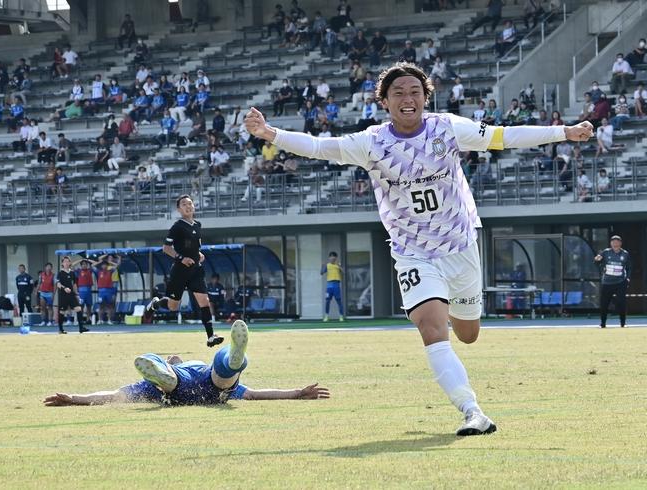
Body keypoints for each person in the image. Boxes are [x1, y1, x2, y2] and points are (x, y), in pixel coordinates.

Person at [244, 61, 593, 436]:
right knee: (431, 328)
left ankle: (456, 319)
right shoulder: (372, 143)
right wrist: (269, 133)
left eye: (415, 92)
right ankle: (472, 411)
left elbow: (502, 137)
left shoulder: (448, 128)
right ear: (384, 102)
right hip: (413, 252)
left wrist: (564, 132)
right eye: (398, 93)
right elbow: (318, 147)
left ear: (426, 98)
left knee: (468, 333)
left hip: (459, 246)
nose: (407, 98)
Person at [44, 321, 330, 407]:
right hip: (210, 388)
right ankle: (235, 357)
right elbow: (255, 394)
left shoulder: (167, 372)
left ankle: (162, 374)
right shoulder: (192, 364)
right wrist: (296, 393)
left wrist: (76, 399)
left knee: (164, 382)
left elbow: (112, 396)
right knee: (224, 375)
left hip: (175, 391)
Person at [147, 195, 224, 347]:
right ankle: (156, 303)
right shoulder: (177, 227)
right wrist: (181, 258)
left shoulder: (198, 225)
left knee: (204, 301)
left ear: (193, 206)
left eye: (190, 203)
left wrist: (199, 254)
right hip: (180, 271)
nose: (188, 206)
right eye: (184, 204)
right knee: (173, 306)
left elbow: (193, 246)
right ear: (179, 209)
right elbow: (166, 248)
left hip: (196, 270)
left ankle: (210, 336)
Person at [594, 235, 631, 328]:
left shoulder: (625, 254)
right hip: (607, 282)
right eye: (613, 242)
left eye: (617, 242)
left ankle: (623, 324)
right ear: (610, 243)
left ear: (620, 243)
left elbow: (629, 267)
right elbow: (597, 263)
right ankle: (603, 324)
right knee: (604, 303)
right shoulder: (606, 252)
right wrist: (596, 260)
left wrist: (628, 278)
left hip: (620, 282)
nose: (615, 244)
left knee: (622, 303)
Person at [56, 256, 89, 334]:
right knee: (62, 312)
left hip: (71, 295)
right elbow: (58, 284)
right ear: (62, 263)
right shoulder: (60, 273)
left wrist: (77, 294)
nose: (66, 263)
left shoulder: (72, 273)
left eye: (68, 261)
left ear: (70, 263)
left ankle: (81, 328)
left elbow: (74, 284)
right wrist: (64, 288)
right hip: (63, 295)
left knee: (78, 309)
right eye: (65, 261)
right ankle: (60, 329)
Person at [93, 254, 120, 324]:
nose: (104, 266)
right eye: (103, 265)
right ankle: (100, 320)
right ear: (101, 266)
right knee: (101, 306)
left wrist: (109, 262)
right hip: (101, 291)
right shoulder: (98, 272)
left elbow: (116, 266)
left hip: (109, 291)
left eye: (105, 265)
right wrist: (100, 261)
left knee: (109, 306)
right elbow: (92, 266)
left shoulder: (110, 271)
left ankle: (109, 320)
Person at [321, 252, 345, 322]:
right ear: (329, 258)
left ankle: (341, 316)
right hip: (329, 286)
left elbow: (344, 272)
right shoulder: (327, 265)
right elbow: (321, 273)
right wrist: (322, 266)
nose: (332, 258)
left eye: (334, 256)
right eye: (331, 256)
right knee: (327, 301)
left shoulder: (338, 265)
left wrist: (339, 266)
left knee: (339, 301)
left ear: (336, 258)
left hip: (336, 285)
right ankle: (326, 316)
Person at [73, 259, 96, 325]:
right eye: (83, 264)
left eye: (85, 264)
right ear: (81, 265)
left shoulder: (90, 270)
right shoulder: (79, 271)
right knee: (81, 306)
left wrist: (88, 260)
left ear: (87, 265)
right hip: (81, 291)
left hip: (88, 290)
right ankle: (81, 320)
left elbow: (96, 263)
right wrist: (80, 260)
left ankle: (88, 319)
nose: (84, 265)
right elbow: (72, 265)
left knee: (89, 306)